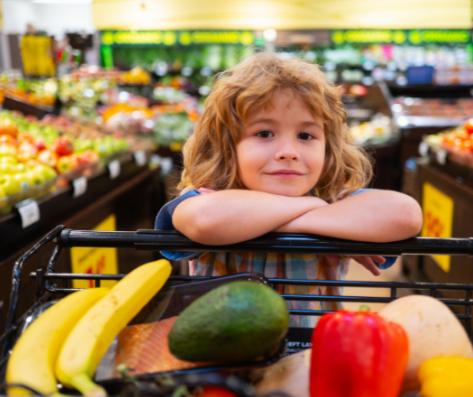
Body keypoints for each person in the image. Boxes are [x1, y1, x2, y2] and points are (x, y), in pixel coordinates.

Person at [156, 53, 423, 327]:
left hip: (310, 360)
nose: (288, 152)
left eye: (305, 136)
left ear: (328, 149)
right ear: (227, 146)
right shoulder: (207, 197)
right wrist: (315, 212)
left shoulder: (332, 199)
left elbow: (406, 214)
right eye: (264, 133)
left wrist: (298, 214)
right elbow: (204, 221)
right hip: (222, 359)